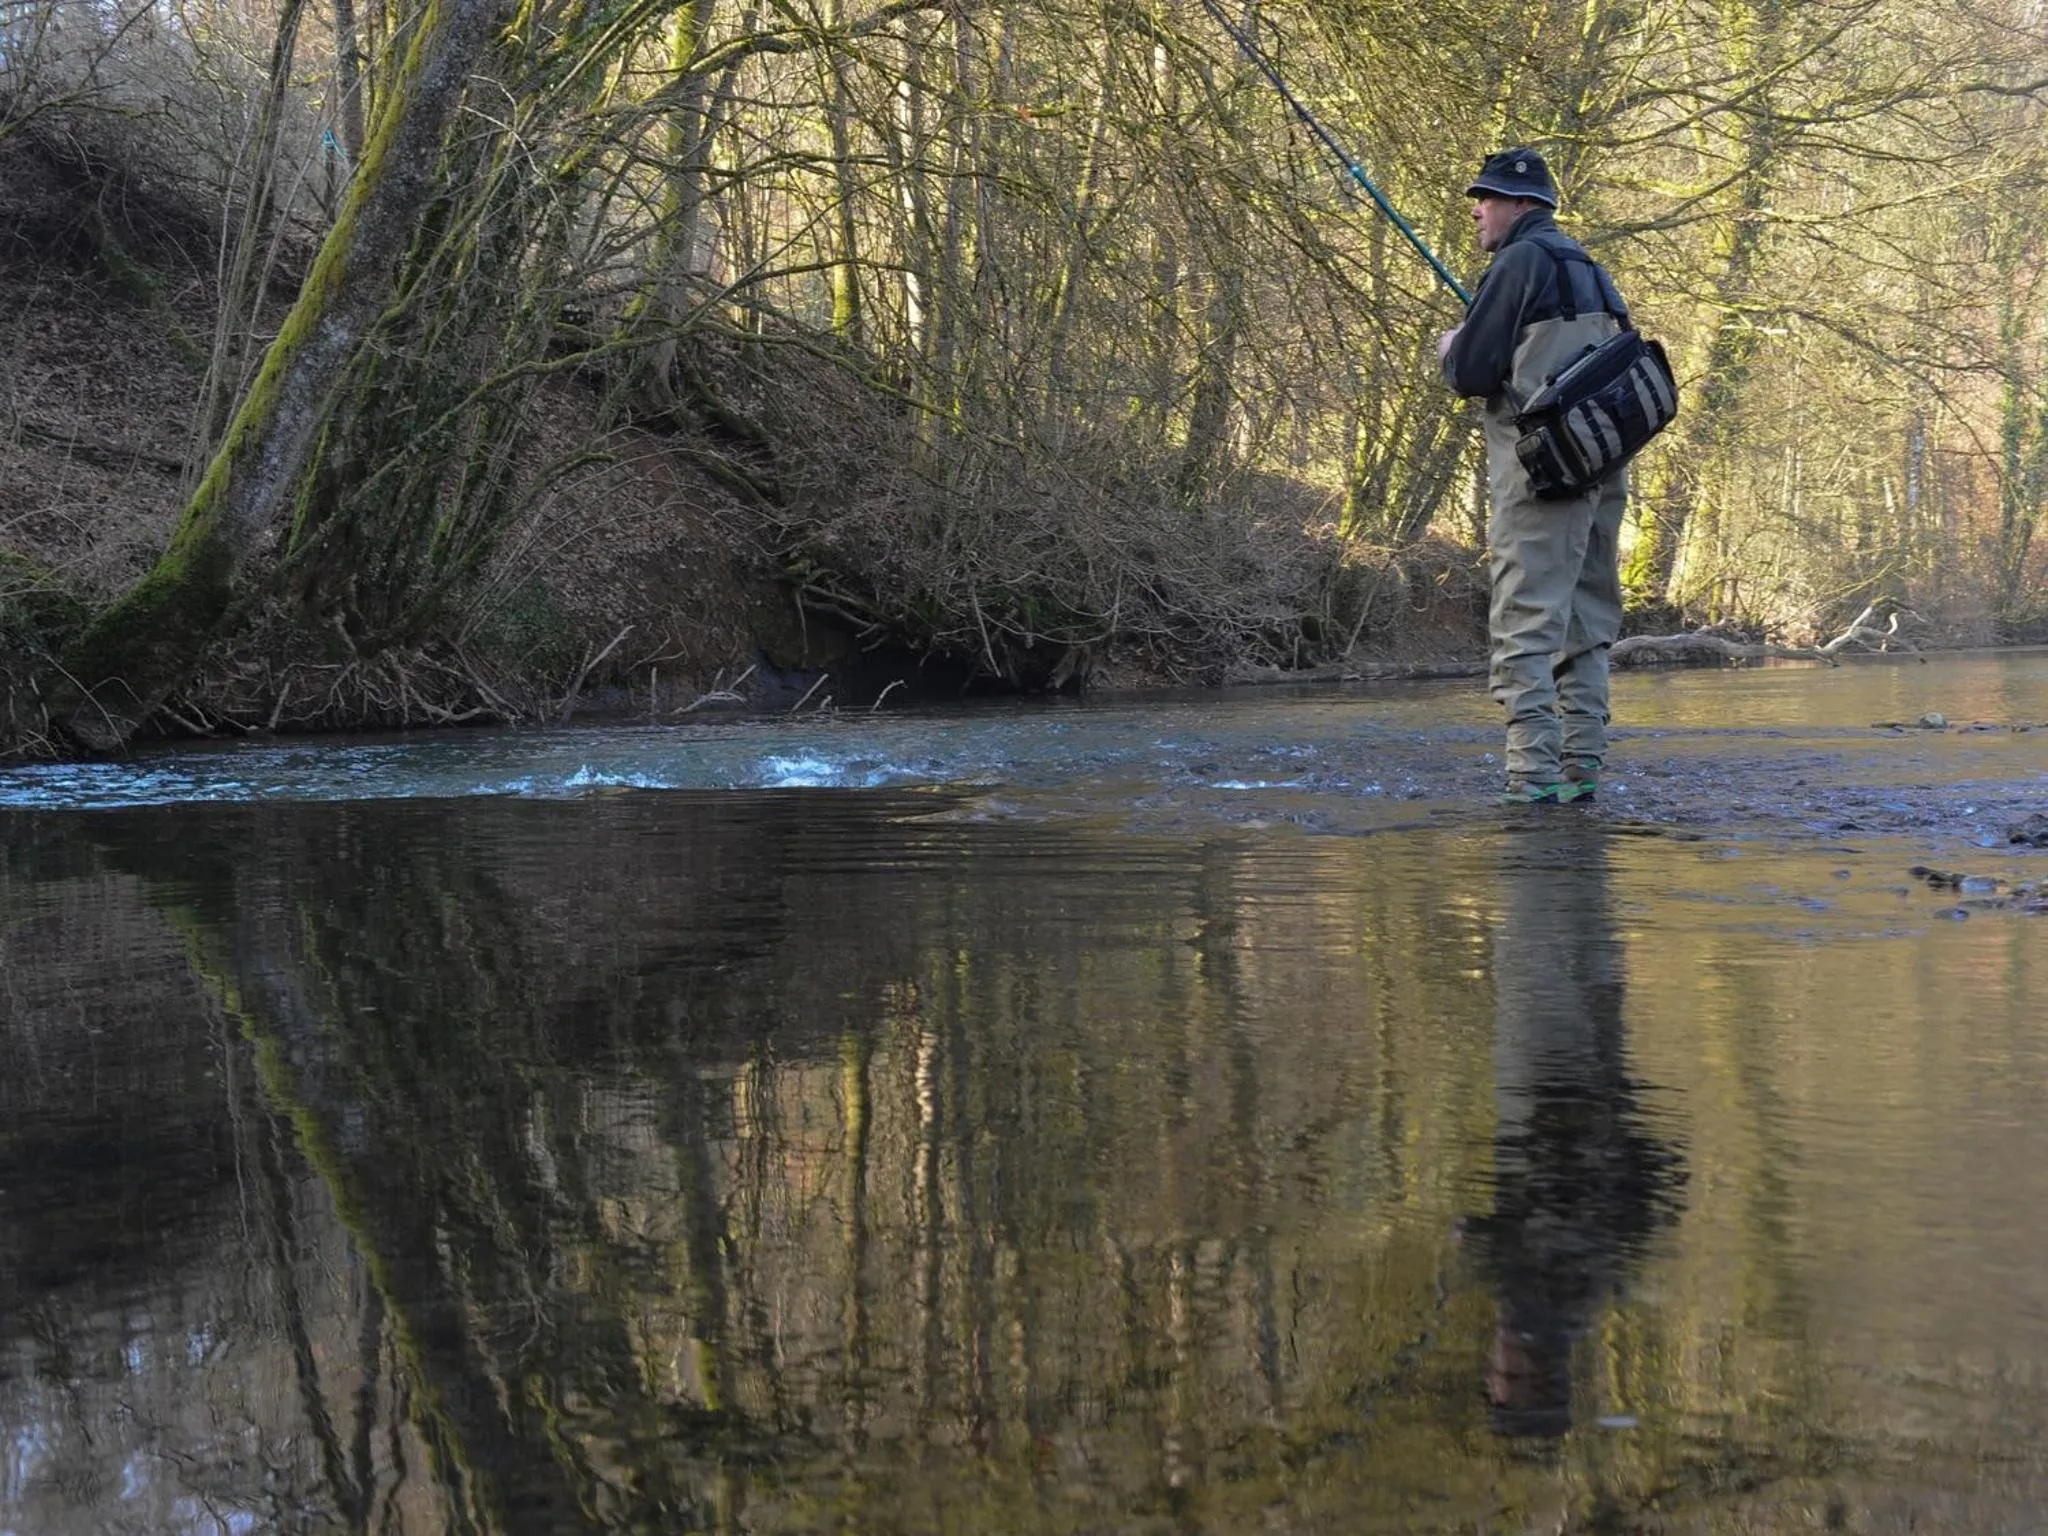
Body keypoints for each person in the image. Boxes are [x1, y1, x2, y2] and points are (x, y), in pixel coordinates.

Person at [1437, 148, 1632, 805]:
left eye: (1486, 198)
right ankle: (1581, 772)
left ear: (1522, 206)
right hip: (1603, 475)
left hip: (1541, 475)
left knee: (1524, 623)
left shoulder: (1516, 263)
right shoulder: (1591, 269)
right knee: (1586, 623)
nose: (1476, 209)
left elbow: (1471, 375)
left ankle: (1531, 779)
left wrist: (1450, 347)